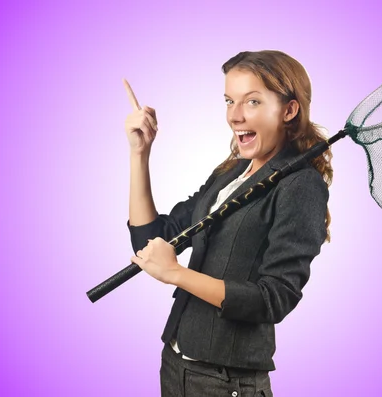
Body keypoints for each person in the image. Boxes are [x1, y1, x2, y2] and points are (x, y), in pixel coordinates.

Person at [125, 50, 333, 397]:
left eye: (252, 101)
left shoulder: (300, 185)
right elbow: (152, 242)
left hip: (225, 381)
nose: (234, 116)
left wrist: (176, 273)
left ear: (289, 110)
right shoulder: (231, 173)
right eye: (228, 100)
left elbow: (274, 299)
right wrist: (139, 154)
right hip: (177, 365)